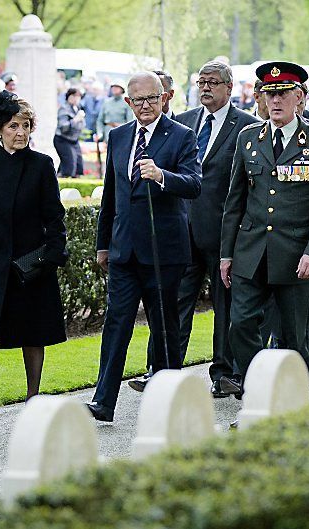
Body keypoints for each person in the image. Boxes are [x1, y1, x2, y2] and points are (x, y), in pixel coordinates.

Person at [131, 60, 258, 397]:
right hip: (181, 232)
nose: (205, 87)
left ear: (229, 88)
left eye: (213, 82)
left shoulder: (248, 127)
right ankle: (161, 371)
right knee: (171, 303)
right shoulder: (181, 123)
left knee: (225, 307)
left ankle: (224, 374)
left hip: (223, 233)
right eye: (201, 81)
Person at [221, 61, 309, 393]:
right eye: (268, 94)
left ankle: (293, 395)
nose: (274, 101)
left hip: (296, 254)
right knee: (241, 323)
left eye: (283, 94)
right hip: (251, 251)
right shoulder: (249, 138)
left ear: (300, 97)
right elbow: (236, 200)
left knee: (294, 333)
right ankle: (258, 387)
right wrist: (225, 254)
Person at [88, 71, 201, 422]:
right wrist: (103, 244)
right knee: (116, 323)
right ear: (128, 102)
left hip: (164, 251)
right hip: (123, 250)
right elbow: (111, 195)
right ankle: (103, 401)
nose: (146, 106)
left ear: (164, 98)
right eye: (138, 100)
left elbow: (195, 184)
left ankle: (169, 399)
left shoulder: (181, 136)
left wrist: (163, 176)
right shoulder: (119, 137)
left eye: (153, 98)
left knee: (165, 327)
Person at [0, 91, 68, 431]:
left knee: (33, 335)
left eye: (25, 126)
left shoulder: (41, 165)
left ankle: (33, 399)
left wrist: (48, 258)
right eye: (13, 126)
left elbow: (55, 218)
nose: (20, 132)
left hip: (29, 266)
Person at [54, 87, 86, 177]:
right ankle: (61, 184)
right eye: (74, 96)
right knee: (69, 168)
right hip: (62, 140)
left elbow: (82, 125)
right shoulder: (64, 109)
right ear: (69, 97)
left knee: (79, 167)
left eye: (78, 96)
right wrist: (75, 120)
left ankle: (59, 178)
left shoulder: (78, 108)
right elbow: (63, 127)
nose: (77, 98)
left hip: (74, 140)